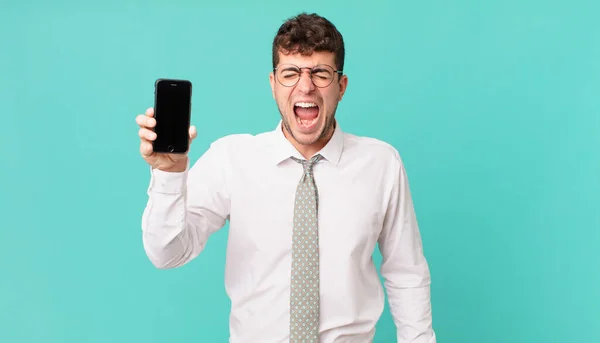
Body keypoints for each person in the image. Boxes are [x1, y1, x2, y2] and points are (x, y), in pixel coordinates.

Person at [136, 12, 436, 343]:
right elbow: (166, 253)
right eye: (290, 73)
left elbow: (406, 274)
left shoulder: (381, 164)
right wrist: (168, 175)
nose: (305, 86)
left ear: (341, 85)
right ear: (273, 83)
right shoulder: (231, 159)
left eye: (321, 73)